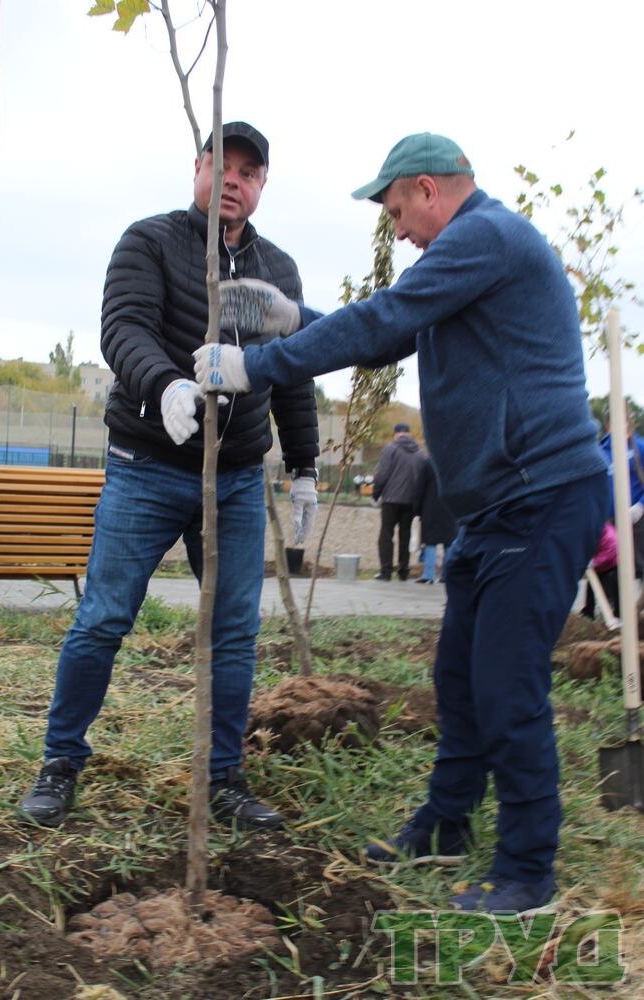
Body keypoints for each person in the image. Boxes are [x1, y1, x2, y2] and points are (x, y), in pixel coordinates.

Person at [194, 132, 609, 915]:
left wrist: (255, 366)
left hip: (544, 494)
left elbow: (383, 316)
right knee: (457, 679)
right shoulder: (462, 271)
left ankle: (527, 871)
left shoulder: (485, 235)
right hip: (496, 509)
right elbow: (391, 331)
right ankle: (445, 825)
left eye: (395, 212)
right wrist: (294, 319)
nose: (397, 231)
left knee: (505, 684)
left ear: (427, 189)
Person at [20, 122, 320, 830]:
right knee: (103, 619)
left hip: (238, 479)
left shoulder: (278, 270)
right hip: (146, 464)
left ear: (262, 186)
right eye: (224, 166)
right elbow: (123, 329)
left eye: (250, 172)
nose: (234, 181)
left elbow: (296, 371)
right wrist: (166, 387)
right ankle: (60, 760)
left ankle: (222, 777)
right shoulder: (148, 241)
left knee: (233, 632)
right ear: (198, 167)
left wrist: (303, 464)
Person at [372, 423, 420, 581]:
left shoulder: (390, 449)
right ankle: (403, 572)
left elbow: (382, 474)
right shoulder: (419, 452)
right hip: (410, 501)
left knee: (386, 534)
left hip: (391, 500)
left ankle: (386, 572)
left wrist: (375, 494)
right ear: (409, 434)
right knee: (405, 536)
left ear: (395, 434)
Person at [600, 415, 644, 579]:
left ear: (628, 424)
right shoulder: (602, 450)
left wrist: (640, 505)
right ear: (607, 426)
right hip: (610, 519)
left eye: (622, 422)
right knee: (610, 565)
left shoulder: (638, 447)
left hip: (637, 515)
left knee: (640, 564)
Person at [413, 452, 457, 584]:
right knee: (449, 543)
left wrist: (417, 510)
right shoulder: (455, 463)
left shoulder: (429, 463)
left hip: (431, 508)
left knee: (430, 542)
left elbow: (420, 488)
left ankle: (429, 575)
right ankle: (447, 575)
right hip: (450, 508)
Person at [581, 521, 619, 620]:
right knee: (591, 588)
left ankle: (617, 615)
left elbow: (609, 553)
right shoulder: (595, 529)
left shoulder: (609, 537)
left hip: (613, 565)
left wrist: (594, 562)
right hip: (600, 564)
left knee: (611, 590)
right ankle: (588, 612)